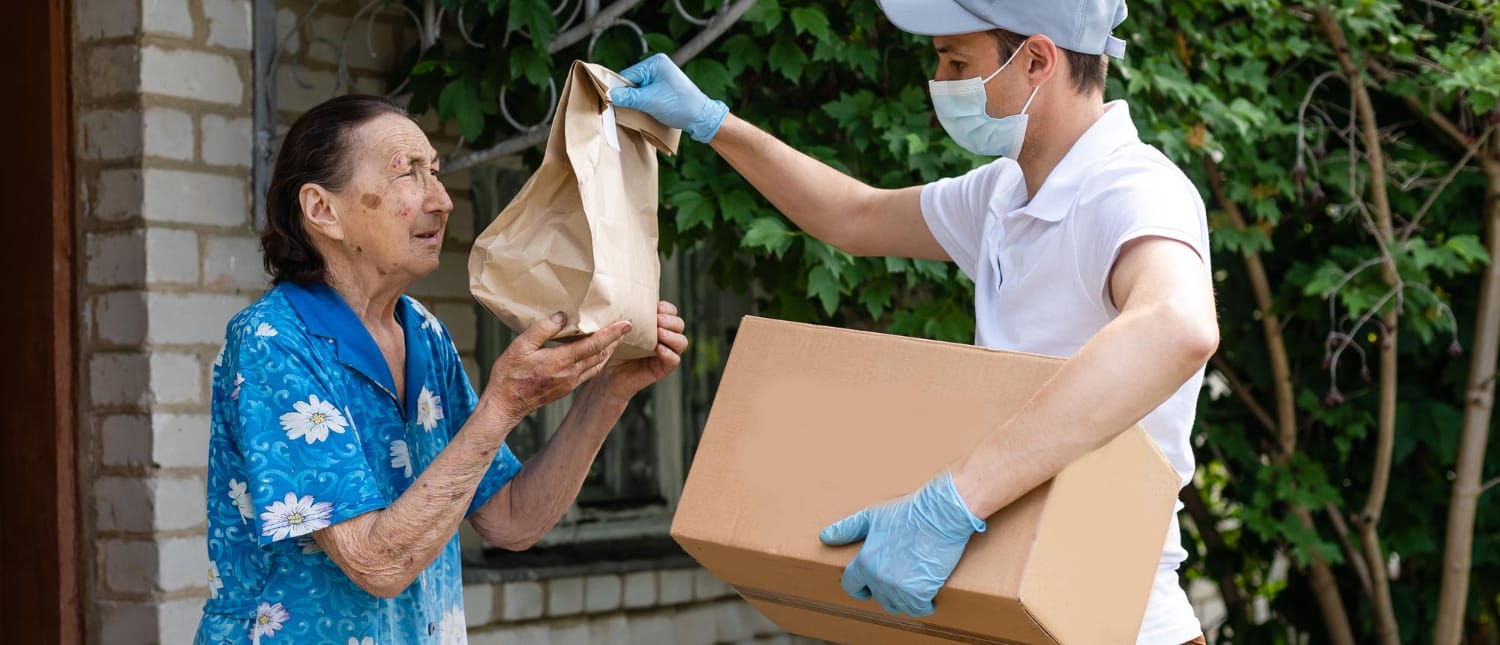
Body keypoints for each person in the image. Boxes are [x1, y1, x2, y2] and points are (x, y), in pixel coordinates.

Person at [610, 0, 1216, 642]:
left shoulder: (1133, 190)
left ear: (1037, 58)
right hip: (1012, 613)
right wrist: (713, 122)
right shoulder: (1003, 194)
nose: (941, 81)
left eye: (958, 59)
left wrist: (953, 501)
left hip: (1122, 626)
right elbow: (856, 217)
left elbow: (1178, 326)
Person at [194, 94, 689, 644]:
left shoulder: (423, 331)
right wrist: (504, 404)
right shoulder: (271, 341)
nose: (443, 199)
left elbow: (511, 518)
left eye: (436, 171)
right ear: (322, 211)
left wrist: (609, 393)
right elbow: (377, 563)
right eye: (408, 173)